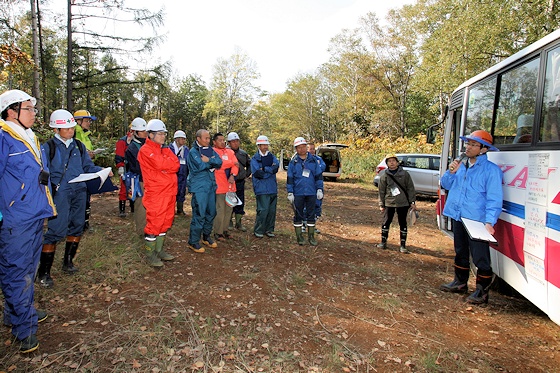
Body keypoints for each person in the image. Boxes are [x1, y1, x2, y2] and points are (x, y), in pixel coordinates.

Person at [0, 89, 56, 353]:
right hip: (16, 219)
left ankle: (16, 313)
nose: (34, 113)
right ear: (12, 111)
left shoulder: (29, 136)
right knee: (16, 272)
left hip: (34, 213)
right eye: (29, 109)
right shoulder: (4, 138)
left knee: (27, 270)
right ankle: (24, 328)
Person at [38, 109, 109, 288]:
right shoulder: (48, 148)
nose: (71, 130)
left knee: (77, 225)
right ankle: (44, 272)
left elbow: (87, 166)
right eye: (67, 128)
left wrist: (100, 171)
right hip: (61, 193)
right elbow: (43, 173)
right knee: (56, 229)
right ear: (56, 129)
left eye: (72, 127)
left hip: (80, 190)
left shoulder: (79, 146)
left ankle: (68, 262)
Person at [439, 130, 503, 305]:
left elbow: (494, 198)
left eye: (474, 144)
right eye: (468, 143)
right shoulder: (461, 165)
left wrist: (490, 221)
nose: (469, 147)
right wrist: (451, 172)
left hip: (477, 221)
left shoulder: (491, 171)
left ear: (483, 149)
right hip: (459, 216)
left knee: (480, 257)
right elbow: (445, 185)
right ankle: (460, 283)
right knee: (460, 251)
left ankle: (482, 292)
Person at [137, 119, 180, 267]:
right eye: (160, 134)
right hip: (156, 193)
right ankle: (150, 255)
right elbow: (161, 164)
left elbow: (175, 165)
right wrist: (165, 165)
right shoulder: (145, 150)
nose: (163, 136)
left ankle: (159, 250)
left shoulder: (166, 150)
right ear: (150, 135)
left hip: (169, 192)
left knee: (166, 221)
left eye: (164, 134)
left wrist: (165, 166)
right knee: (154, 222)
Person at [187, 129, 223, 253]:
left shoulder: (210, 150)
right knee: (199, 214)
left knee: (211, 212)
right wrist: (211, 163)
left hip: (211, 186)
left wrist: (209, 161)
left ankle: (206, 236)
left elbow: (219, 162)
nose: (208, 140)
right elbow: (200, 166)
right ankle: (193, 241)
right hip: (199, 187)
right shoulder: (193, 152)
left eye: (209, 138)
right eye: (205, 138)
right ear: (198, 138)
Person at [286, 137, 324, 246]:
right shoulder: (293, 162)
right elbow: (290, 178)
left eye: (303, 147)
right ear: (296, 149)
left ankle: (311, 236)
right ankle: (299, 237)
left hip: (311, 192)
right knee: (298, 215)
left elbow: (318, 176)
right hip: (298, 193)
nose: (301, 149)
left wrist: (319, 189)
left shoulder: (313, 161)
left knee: (311, 214)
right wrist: (290, 192)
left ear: (306, 147)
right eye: (299, 147)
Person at [376, 154, 416, 254]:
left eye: (394, 161)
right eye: (389, 161)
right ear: (387, 164)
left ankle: (403, 246)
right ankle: (383, 242)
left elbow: (410, 188)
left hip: (403, 203)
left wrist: (412, 202)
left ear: (397, 162)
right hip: (389, 202)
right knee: (386, 222)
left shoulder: (405, 174)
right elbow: (381, 191)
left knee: (403, 223)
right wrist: (381, 204)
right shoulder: (384, 176)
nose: (392, 163)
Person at [250, 135, 279, 238]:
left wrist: (265, 169)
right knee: (263, 210)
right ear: (259, 145)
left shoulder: (272, 156)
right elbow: (258, 173)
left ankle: (269, 229)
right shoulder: (254, 158)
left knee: (271, 211)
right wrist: (269, 170)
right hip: (261, 189)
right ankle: (259, 230)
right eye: (263, 145)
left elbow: (276, 167)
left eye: (267, 144)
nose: (266, 146)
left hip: (272, 188)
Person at [212, 133, 239, 241]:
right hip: (219, 186)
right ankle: (218, 232)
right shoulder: (212, 152)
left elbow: (236, 165)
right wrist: (229, 163)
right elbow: (217, 165)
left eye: (224, 140)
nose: (222, 142)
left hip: (231, 186)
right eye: (220, 140)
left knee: (229, 210)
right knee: (220, 210)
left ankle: (225, 230)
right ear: (214, 142)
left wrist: (233, 174)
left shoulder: (230, 152)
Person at [73, 109, 96, 230]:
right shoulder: (74, 134)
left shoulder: (85, 135)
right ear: (78, 121)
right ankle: (77, 225)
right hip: (78, 172)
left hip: (86, 169)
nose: (89, 123)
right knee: (79, 199)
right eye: (87, 120)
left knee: (86, 198)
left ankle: (85, 223)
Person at [125, 118, 148, 236]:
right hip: (139, 181)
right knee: (141, 206)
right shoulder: (133, 148)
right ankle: (141, 231)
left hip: (148, 180)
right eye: (143, 131)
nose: (146, 133)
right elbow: (136, 167)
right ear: (136, 132)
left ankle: (148, 229)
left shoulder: (145, 144)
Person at [226, 132, 251, 231]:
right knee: (229, 202)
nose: (235, 143)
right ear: (229, 142)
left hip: (240, 181)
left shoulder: (243, 153)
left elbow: (250, 164)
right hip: (229, 182)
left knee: (240, 202)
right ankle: (229, 221)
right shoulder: (225, 152)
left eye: (237, 141)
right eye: (233, 141)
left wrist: (246, 174)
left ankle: (239, 222)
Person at [115, 120, 136, 217]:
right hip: (125, 168)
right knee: (124, 189)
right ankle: (122, 210)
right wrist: (120, 167)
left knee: (134, 188)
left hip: (135, 168)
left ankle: (133, 208)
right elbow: (119, 155)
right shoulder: (122, 141)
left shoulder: (139, 142)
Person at [169, 130, 189, 215]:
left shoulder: (186, 150)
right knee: (171, 192)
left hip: (183, 174)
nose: (184, 141)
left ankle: (180, 209)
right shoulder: (170, 149)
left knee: (181, 191)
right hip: (172, 175)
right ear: (177, 139)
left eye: (184, 139)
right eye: (182, 139)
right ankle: (170, 210)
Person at [308, 142, 326, 233]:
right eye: (310, 149)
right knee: (306, 205)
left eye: (313, 149)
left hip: (317, 186)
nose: (312, 150)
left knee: (317, 205)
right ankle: (304, 224)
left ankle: (313, 225)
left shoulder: (318, 159)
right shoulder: (304, 160)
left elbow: (322, 167)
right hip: (307, 186)